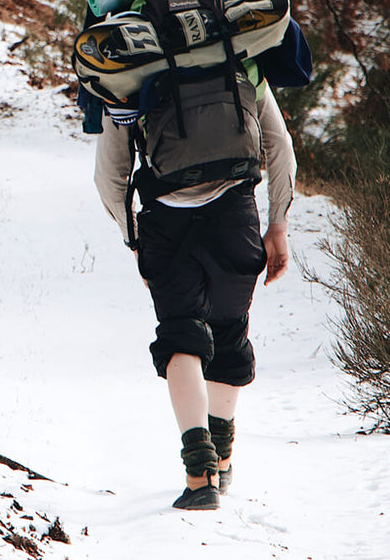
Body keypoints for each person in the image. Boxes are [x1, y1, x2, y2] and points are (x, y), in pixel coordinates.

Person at [93, 68, 296, 511]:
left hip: (167, 218)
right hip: (235, 211)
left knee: (181, 332)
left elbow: (110, 172)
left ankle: (198, 473)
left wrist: (133, 239)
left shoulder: (131, 56)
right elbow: (278, 143)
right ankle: (221, 456)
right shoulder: (233, 49)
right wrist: (277, 222)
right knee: (227, 330)